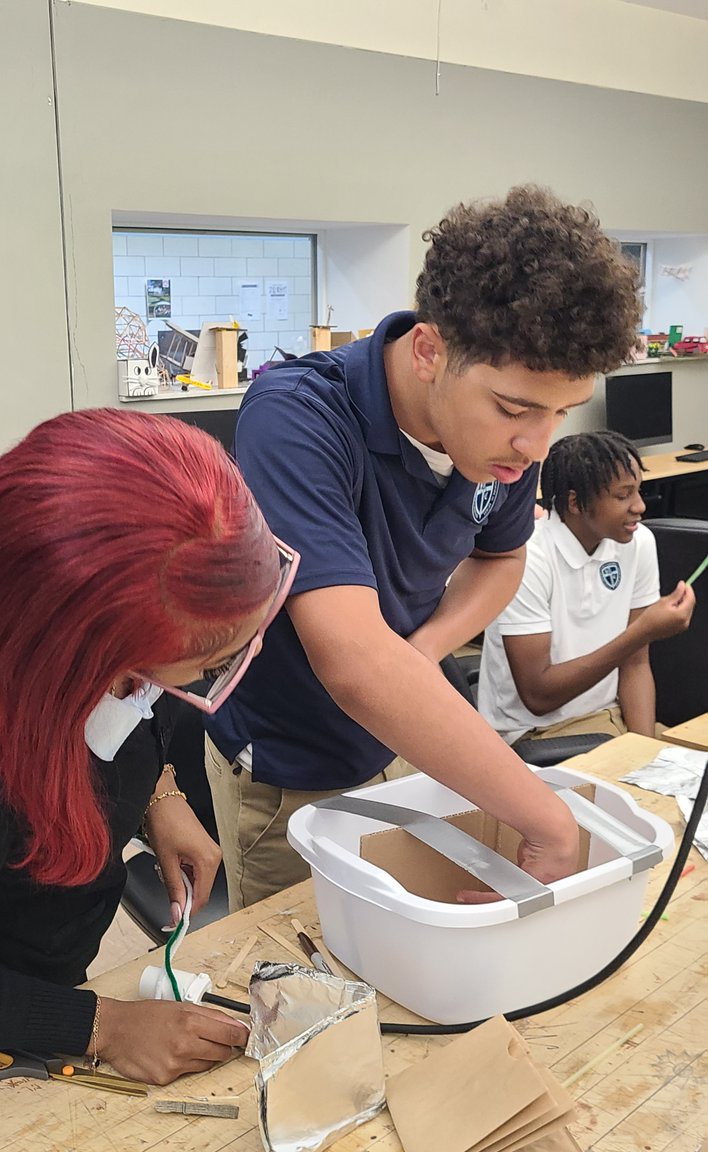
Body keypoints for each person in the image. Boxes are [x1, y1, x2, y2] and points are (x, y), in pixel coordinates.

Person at [0, 408, 297, 1101]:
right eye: (212, 660)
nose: (221, 669)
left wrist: (161, 796)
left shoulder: (91, 648)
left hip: (37, 971)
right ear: (80, 655)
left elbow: (137, 706)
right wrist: (100, 1026)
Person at [204, 184, 643, 911]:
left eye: (562, 412)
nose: (537, 445)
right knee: (309, 972)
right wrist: (546, 820)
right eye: (514, 409)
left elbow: (502, 558)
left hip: (408, 736)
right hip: (294, 762)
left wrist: (429, 645)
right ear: (430, 350)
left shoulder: (504, 444)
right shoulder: (297, 418)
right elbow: (353, 663)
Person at [477, 431, 695, 744]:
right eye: (623, 496)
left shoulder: (637, 542)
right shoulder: (527, 555)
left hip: (608, 720)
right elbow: (538, 696)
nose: (640, 507)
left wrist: (643, 752)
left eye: (638, 491)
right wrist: (641, 632)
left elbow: (635, 664)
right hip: (534, 737)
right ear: (576, 503)